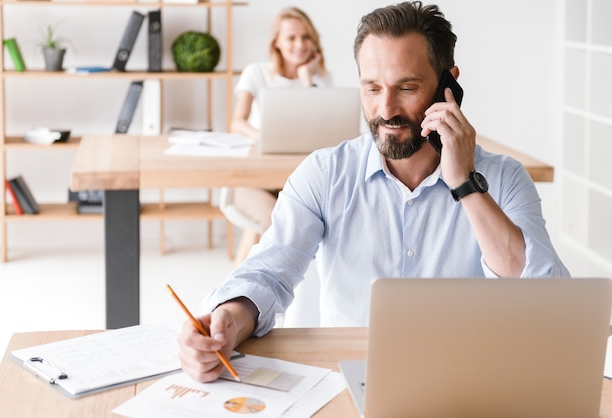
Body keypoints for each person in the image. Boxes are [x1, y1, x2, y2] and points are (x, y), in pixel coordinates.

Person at [180, 1, 570, 383]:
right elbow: (268, 274)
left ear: (449, 83)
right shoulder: (325, 174)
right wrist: (228, 318)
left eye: (407, 87)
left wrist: (466, 184)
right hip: (350, 380)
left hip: (469, 384)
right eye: (372, 88)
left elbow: (550, 305)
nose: (386, 110)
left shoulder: (502, 179)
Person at [220, 7, 332, 261]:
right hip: (251, 179)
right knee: (276, 224)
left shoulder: (321, 79)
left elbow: (322, 128)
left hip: (294, 179)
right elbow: (236, 122)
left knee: (287, 226)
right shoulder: (257, 73)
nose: (300, 44)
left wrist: (306, 78)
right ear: (277, 42)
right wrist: (265, 136)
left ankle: (238, 294)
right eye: (291, 38)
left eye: (305, 37)